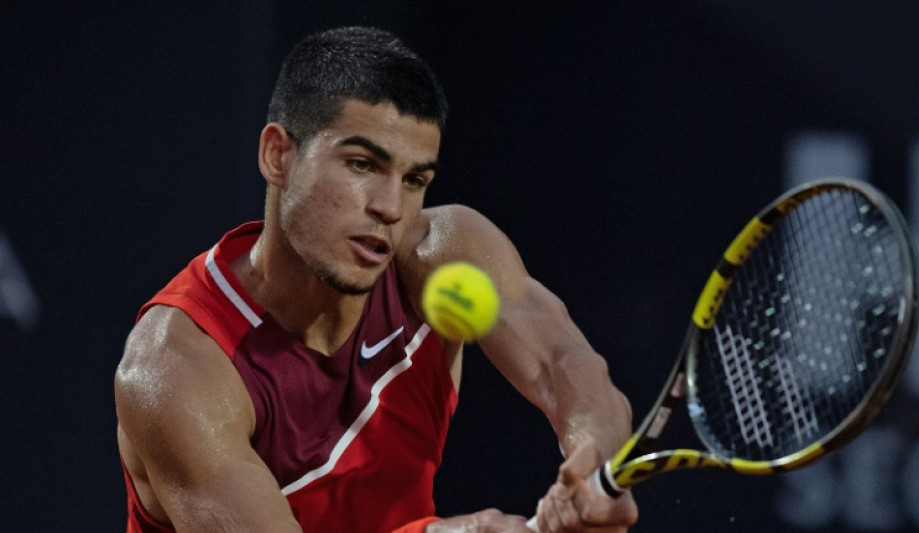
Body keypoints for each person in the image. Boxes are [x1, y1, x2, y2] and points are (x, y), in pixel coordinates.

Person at [114, 26, 638, 533]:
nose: (391, 208)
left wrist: (594, 465)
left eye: (414, 180)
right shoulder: (177, 369)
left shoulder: (445, 254)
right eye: (362, 164)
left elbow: (565, 364)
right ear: (279, 155)